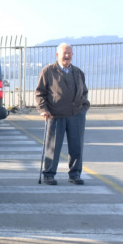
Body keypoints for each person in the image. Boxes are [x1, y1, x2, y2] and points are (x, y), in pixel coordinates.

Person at [35, 42, 90, 185]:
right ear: (57, 55)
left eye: (69, 53)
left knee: (76, 146)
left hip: (76, 114)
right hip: (55, 114)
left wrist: (84, 107)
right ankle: (49, 174)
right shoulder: (48, 71)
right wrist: (43, 109)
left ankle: (75, 174)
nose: (67, 56)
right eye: (64, 53)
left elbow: (84, 91)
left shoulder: (78, 72)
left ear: (72, 55)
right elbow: (40, 93)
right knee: (53, 146)